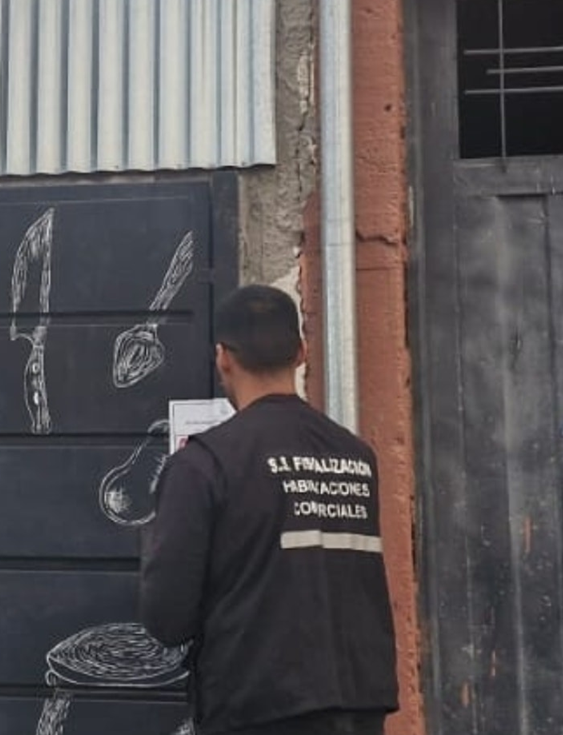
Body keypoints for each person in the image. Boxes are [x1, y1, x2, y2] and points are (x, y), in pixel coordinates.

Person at [139, 285, 399, 735]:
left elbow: (167, 617)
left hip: (258, 705)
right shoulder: (356, 456)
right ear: (300, 353)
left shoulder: (204, 464)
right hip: (360, 704)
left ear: (223, 358)